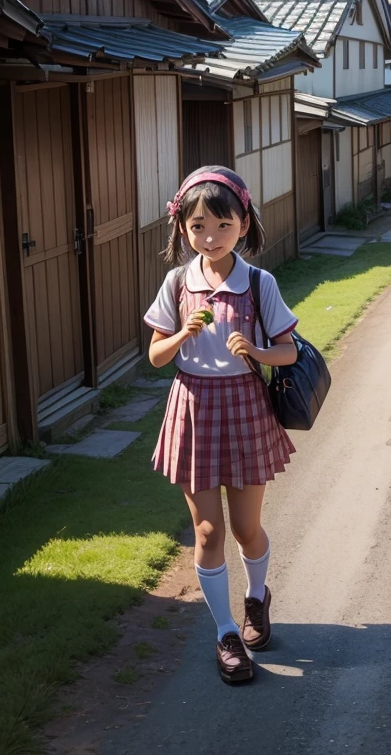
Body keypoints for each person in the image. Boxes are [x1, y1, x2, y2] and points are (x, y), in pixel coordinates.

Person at [145, 166, 299, 684]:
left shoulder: (259, 282)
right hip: (192, 408)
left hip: (245, 405)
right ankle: (226, 633)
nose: (210, 238)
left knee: (245, 528)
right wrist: (182, 335)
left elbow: (288, 349)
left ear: (244, 224)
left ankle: (257, 597)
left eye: (222, 226)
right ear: (182, 228)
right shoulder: (176, 283)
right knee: (208, 531)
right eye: (197, 227)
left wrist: (255, 349)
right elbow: (156, 357)